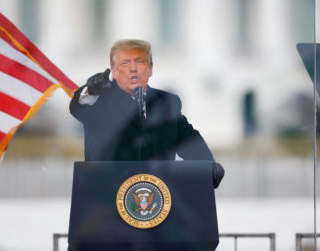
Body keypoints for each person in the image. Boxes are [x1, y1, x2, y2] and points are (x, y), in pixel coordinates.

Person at [70, 39, 224, 188]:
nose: (133, 68)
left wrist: (206, 166)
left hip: (158, 202)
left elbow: (188, 141)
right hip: (106, 200)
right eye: (125, 63)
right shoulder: (100, 101)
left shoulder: (167, 102)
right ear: (114, 71)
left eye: (139, 62)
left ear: (150, 69)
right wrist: (91, 90)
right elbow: (80, 107)